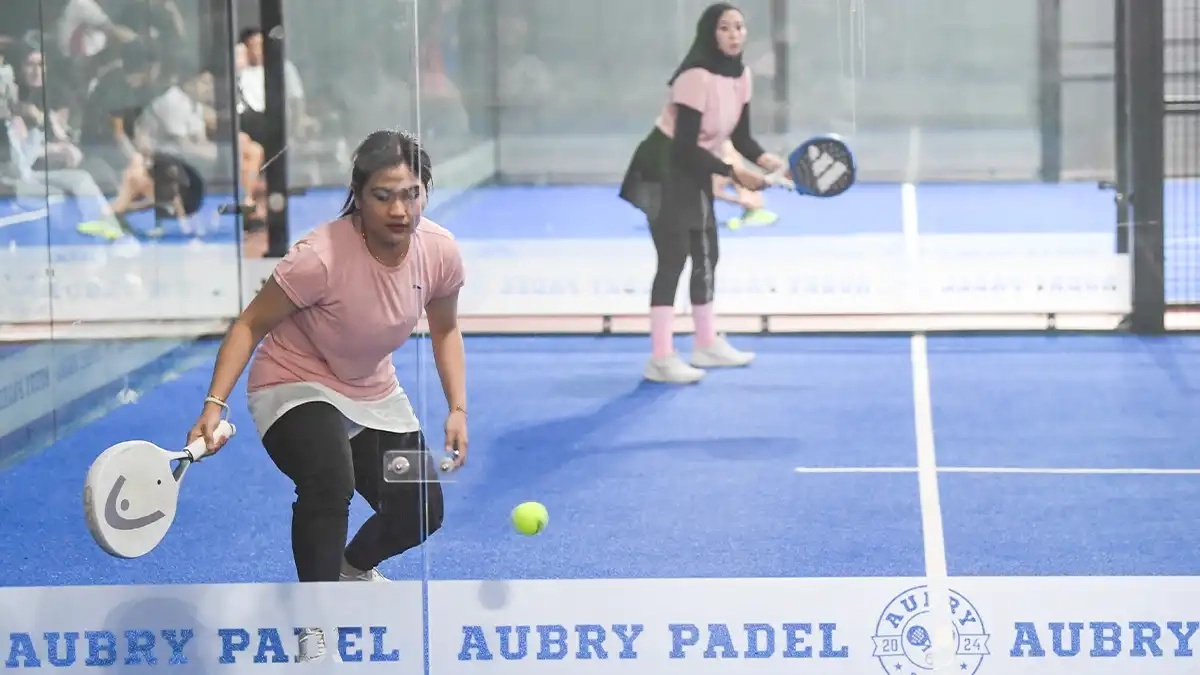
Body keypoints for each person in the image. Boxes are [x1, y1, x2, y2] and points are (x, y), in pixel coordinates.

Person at [185, 129, 467, 662]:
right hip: (294, 384)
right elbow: (248, 324)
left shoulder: (439, 251)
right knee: (328, 477)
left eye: (411, 193)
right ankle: (313, 620)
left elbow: (445, 329)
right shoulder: (318, 257)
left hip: (373, 392)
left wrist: (458, 408)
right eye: (383, 195)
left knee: (420, 509)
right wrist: (213, 405)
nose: (399, 209)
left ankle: (349, 568)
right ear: (358, 196)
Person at [619, 2, 788, 384]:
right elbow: (682, 147)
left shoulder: (742, 76)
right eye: (725, 27)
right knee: (674, 257)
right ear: (710, 33)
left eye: (739, 27)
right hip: (662, 166)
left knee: (707, 251)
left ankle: (706, 342)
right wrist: (734, 173)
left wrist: (768, 161)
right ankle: (661, 358)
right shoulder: (694, 78)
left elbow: (740, 136)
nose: (733, 34)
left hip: (693, 167)